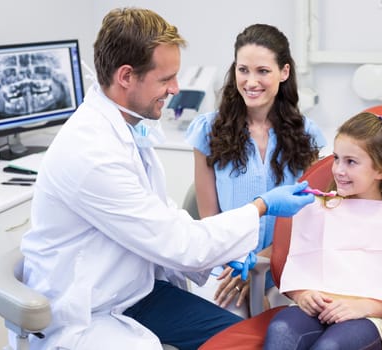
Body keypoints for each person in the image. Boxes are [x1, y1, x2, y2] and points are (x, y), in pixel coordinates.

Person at [19, 8, 316, 350]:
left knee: (250, 341)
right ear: (126, 76)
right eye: (165, 79)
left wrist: (225, 252)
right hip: (89, 310)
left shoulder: (128, 132)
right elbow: (179, 244)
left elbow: (165, 215)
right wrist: (261, 207)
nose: (176, 89)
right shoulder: (92, 153)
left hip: (137, 292)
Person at [263, 112, 382, 350]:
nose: (338, 169)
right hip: (309, 309)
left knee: (331, 347)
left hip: (363, 318)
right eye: (336, 158)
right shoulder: (316, 211)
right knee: (281, 331)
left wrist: (362, 306)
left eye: (351, 162)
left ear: (381, 169)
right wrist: (301, 295)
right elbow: (299, 265)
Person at [185, 23, 326, 317]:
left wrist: (259, 269)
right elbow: (210, 218)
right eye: (243, 70)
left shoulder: (307, 135)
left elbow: (309, 218)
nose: (251, 81)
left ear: (283, 73)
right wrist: (242, 269)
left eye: (263, 71)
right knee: (232, 332)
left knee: (293, 331)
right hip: (227, 268)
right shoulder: (208, 132)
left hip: (286, 263)